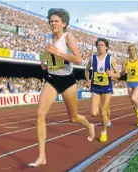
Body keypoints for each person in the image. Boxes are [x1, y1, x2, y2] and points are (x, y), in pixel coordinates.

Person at [28, 8, 95, 167]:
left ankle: (89, 125)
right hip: (52, 79)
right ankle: (42, 156)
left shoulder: (68, 36)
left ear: (64, 23)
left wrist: (59, 53)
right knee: (39, 115)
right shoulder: (49, 38)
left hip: (67, 81)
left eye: (56, 21)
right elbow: (48, 52)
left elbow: (78, 59)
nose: (53, 23)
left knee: (73, 117)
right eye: (51, 21)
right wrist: (44, 61)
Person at [85, 38, 120, 142]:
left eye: (102, 45)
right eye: (98, 45)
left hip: (106, 88)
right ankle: (106, 118)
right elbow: (86, 70)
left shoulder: (110, 59)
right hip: (95, 88)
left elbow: (118, 74)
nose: (100, 46)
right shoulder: (92, 58)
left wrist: (112, 74)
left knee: (103, 112)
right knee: (93, 113)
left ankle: (104, 132)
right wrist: (88, 80)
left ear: (106, 47)